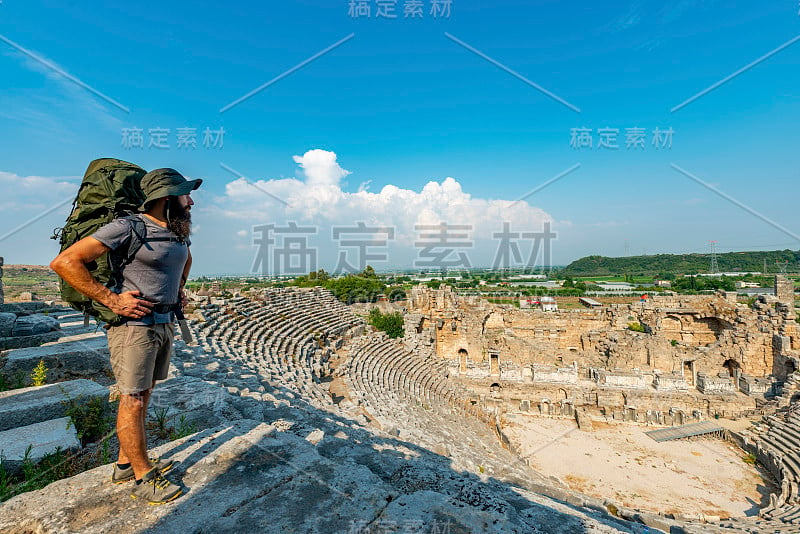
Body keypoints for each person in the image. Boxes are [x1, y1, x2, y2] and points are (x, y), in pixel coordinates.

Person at [50, 168, 201, 505]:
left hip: (164, 322)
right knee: (132, 398)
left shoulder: (176, 230)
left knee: (143, 394)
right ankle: (144, 476)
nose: (190, 200)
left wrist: (178, 288)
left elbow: (185, 258)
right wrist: (112, 299)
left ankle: (123, 464)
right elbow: (65, 262)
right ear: (165, 197)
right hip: (134, 328)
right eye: (184, 194)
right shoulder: (129, 226)